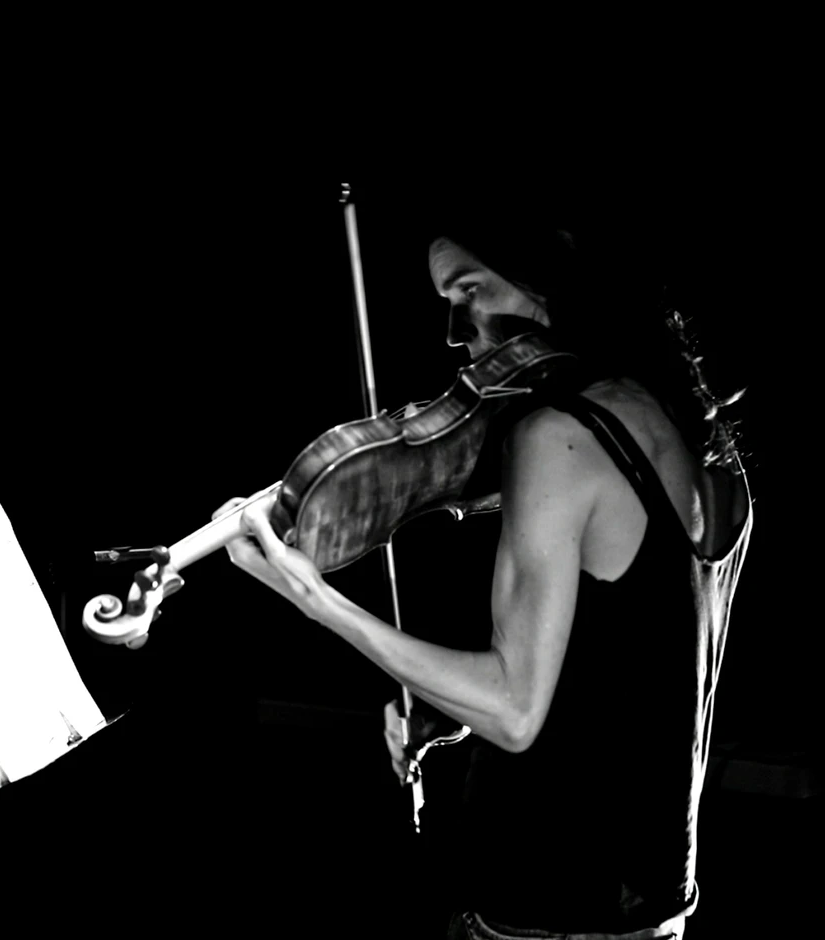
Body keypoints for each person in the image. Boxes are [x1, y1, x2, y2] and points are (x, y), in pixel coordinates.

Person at [216, 211, 751, 939]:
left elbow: (514, 711)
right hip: (647, 905)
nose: (453, 331)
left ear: (547, 280)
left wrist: (315, 598)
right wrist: (443, 711)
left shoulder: (558, 436)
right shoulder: (696, 436)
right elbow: (623, 667)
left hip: (545, 909)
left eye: (469, 291)